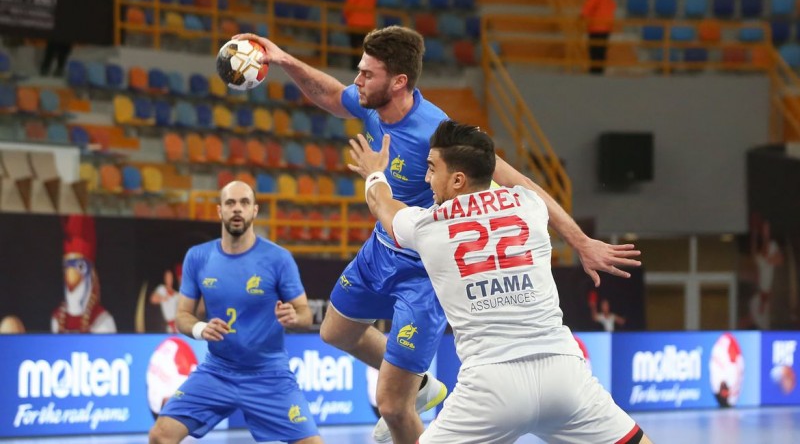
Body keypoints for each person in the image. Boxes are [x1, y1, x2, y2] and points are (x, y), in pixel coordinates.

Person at [233, 25, 642, 444]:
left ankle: (412, 395)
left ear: (399, 82)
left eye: (366, 74)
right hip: (382, 247)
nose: (357, 81)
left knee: (392, 405)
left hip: (426, 263)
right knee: (335, 332)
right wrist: (283, 60)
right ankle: (424, 382)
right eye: (359, 71)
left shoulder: (438, 133)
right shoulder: (371, 102)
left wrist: (580, 241)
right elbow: (331, 97)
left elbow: (520, 183)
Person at [348, 120, 650, 444]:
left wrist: (375, 174)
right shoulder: (530, 205)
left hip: (491, 386)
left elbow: (384, 206)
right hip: (563, 374)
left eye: (432, 169)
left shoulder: (428, 225)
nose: (426, 178)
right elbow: (522, 182)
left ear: (458, 179)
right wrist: (580, 240)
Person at [149, 181, 321, 444]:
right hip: (217, 371)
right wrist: (200, 328)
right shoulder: (198, 257)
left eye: (244, 203)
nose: (237, 209)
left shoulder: (279, 258)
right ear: (220, 211)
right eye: (230, 203)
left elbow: (305, 314)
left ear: (254, 211)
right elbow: (183, 315)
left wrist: (295, 317)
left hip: (269, 374)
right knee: (160, 436)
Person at [581, 0, 616, 75]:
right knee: (602, 50)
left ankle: (595, 71)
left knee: (594, 50)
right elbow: (612, 7)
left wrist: (581, 16)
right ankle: (600, 70)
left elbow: (588, 7)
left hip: (596, 27)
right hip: (607, 27)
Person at [343, 0, 377, 70]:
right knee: (365, 49)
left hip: (355, 21)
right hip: (368, 22)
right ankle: (365, 70)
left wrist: (346, 14)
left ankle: (355, 69)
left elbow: (351, 2)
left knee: (354, 49)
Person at [150, 268, 180, 333]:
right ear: (165, 278)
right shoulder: (161, 289)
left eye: (170, 277)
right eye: (167, 277)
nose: (169, 279)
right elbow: (152, 299)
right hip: (167, 325)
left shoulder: (176, 294)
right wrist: (162, 298)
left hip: (177, 325)